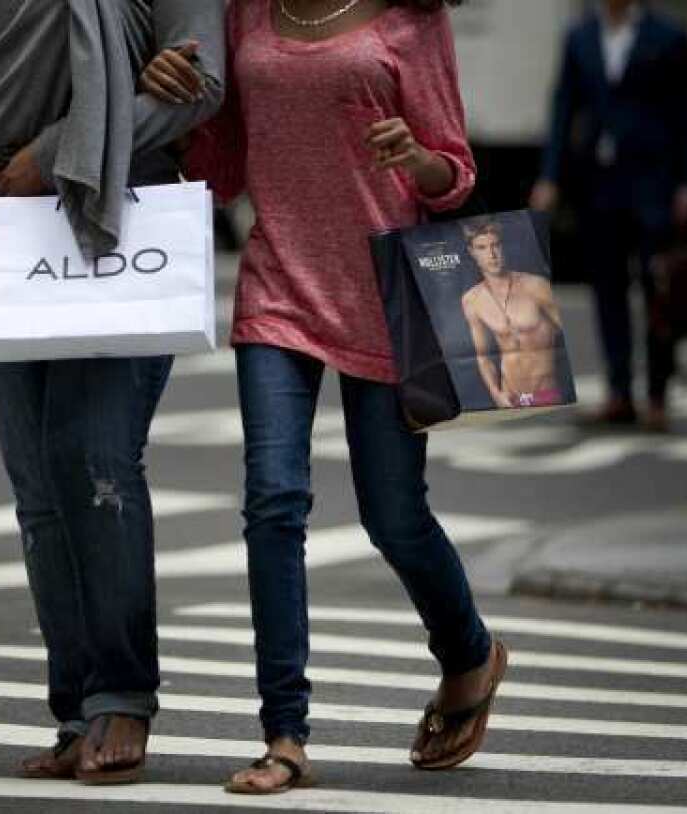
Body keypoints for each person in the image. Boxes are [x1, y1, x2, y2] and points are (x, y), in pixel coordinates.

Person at [141, 0, 506, 794]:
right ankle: (285, 735)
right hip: (278, 289)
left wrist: (414, 157)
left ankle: (470, 653)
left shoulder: (411, 19)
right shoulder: (247, 15)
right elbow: (223, 168)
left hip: (387, 296)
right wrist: (170, 110)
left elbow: (454, 177)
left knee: (395, 519)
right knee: (273, 501)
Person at [0, 0, 225, 785]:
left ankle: (121, 698)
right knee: (39, 487)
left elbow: (200, 81)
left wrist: (64, 150)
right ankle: (75, 709)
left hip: (107, 215)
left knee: (94, 462)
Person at [530, 0, 687, 433]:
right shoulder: (580, 37)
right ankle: (619, 391)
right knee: (607, 290)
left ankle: (658, 394)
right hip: (598, 183)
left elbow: (685, 113)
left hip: (654, 183)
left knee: (657, 288)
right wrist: (551, 175)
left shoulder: (668, 36)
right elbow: (563, 108)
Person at [460, 220, 565, 409]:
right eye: (482, 247)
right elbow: (483, 357)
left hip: (546, 392)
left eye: (496, 245)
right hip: (511, 394)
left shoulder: (536, 285)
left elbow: (567, 334)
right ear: (472, 252)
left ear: (504, 246)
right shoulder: (472, 299)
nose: (492, 254)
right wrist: (496, 394)